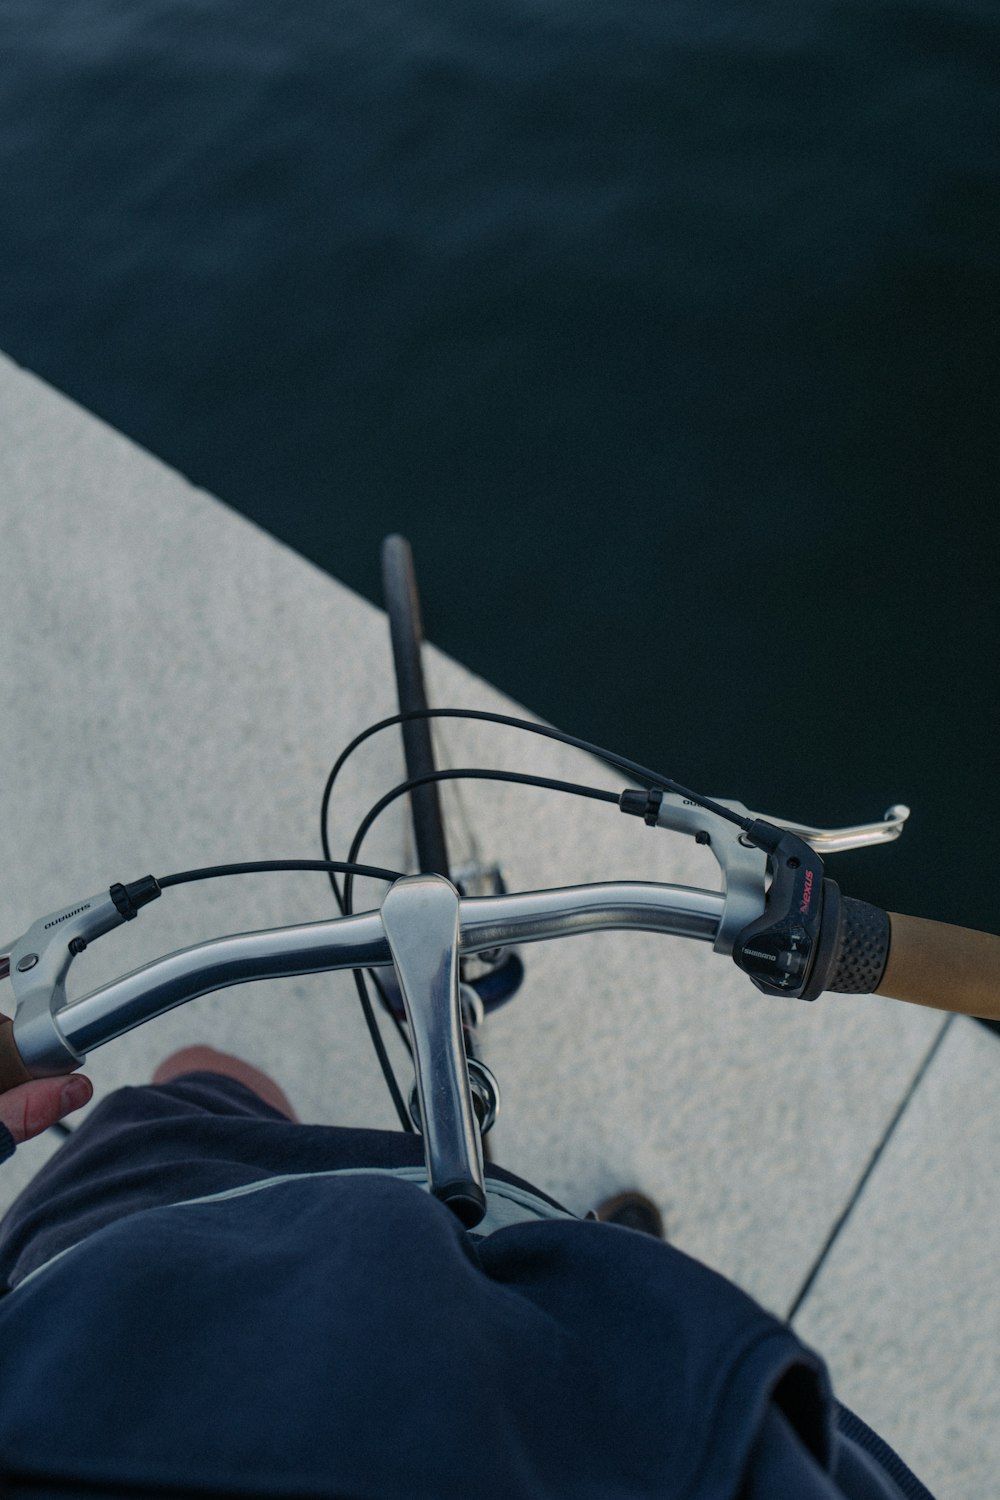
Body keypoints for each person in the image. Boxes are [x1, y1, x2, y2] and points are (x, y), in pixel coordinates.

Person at [0, 1043, 936, 1499]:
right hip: (122, 1303)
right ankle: (587, 1256)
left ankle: (587, 1260)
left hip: (89, 1328)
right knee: (205, 1086)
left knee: (201, 1081)